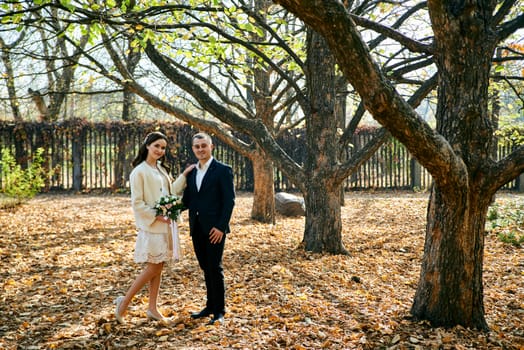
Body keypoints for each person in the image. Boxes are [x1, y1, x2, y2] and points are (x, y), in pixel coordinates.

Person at [114, 131, 195, 325]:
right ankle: (123, 303)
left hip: (167, 226)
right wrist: (157, 215)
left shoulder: (161, 169)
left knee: (158, 268)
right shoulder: (139, 171)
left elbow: (171, 192)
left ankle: (152, 308)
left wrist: (184, 175)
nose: (160, 150)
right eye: (157, 146)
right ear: (148, 146)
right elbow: (137, 203)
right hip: (152, 227)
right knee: (153, 267)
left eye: (163, 147)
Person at [183, 132, 235, 325]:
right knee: (205, 268)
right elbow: (189, 200)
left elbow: (229, 201)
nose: (200, 149)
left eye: (203, 145)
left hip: (215, 229)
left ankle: (219, 311)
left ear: (211, 146)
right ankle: (209, 305)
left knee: (215, 267)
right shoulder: (192, 172)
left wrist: (221, 227)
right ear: (193, 149)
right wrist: (170, 206)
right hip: (196, 227)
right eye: (197, 146)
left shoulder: (222, 170)